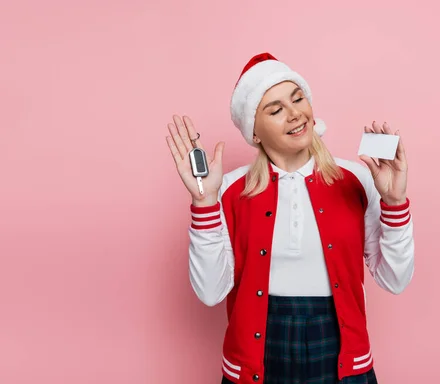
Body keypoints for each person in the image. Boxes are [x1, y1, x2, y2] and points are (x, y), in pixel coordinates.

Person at [165, 53, 415, 384]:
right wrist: (204, 203)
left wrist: (395, 202)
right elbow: (210, 292)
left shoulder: (358, 178)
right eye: (276, 109)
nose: (295, 113)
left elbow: (395, 279)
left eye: (298, 99)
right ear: (254, 132)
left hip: (342, 360)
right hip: (256, 362)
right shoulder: (226, 190)